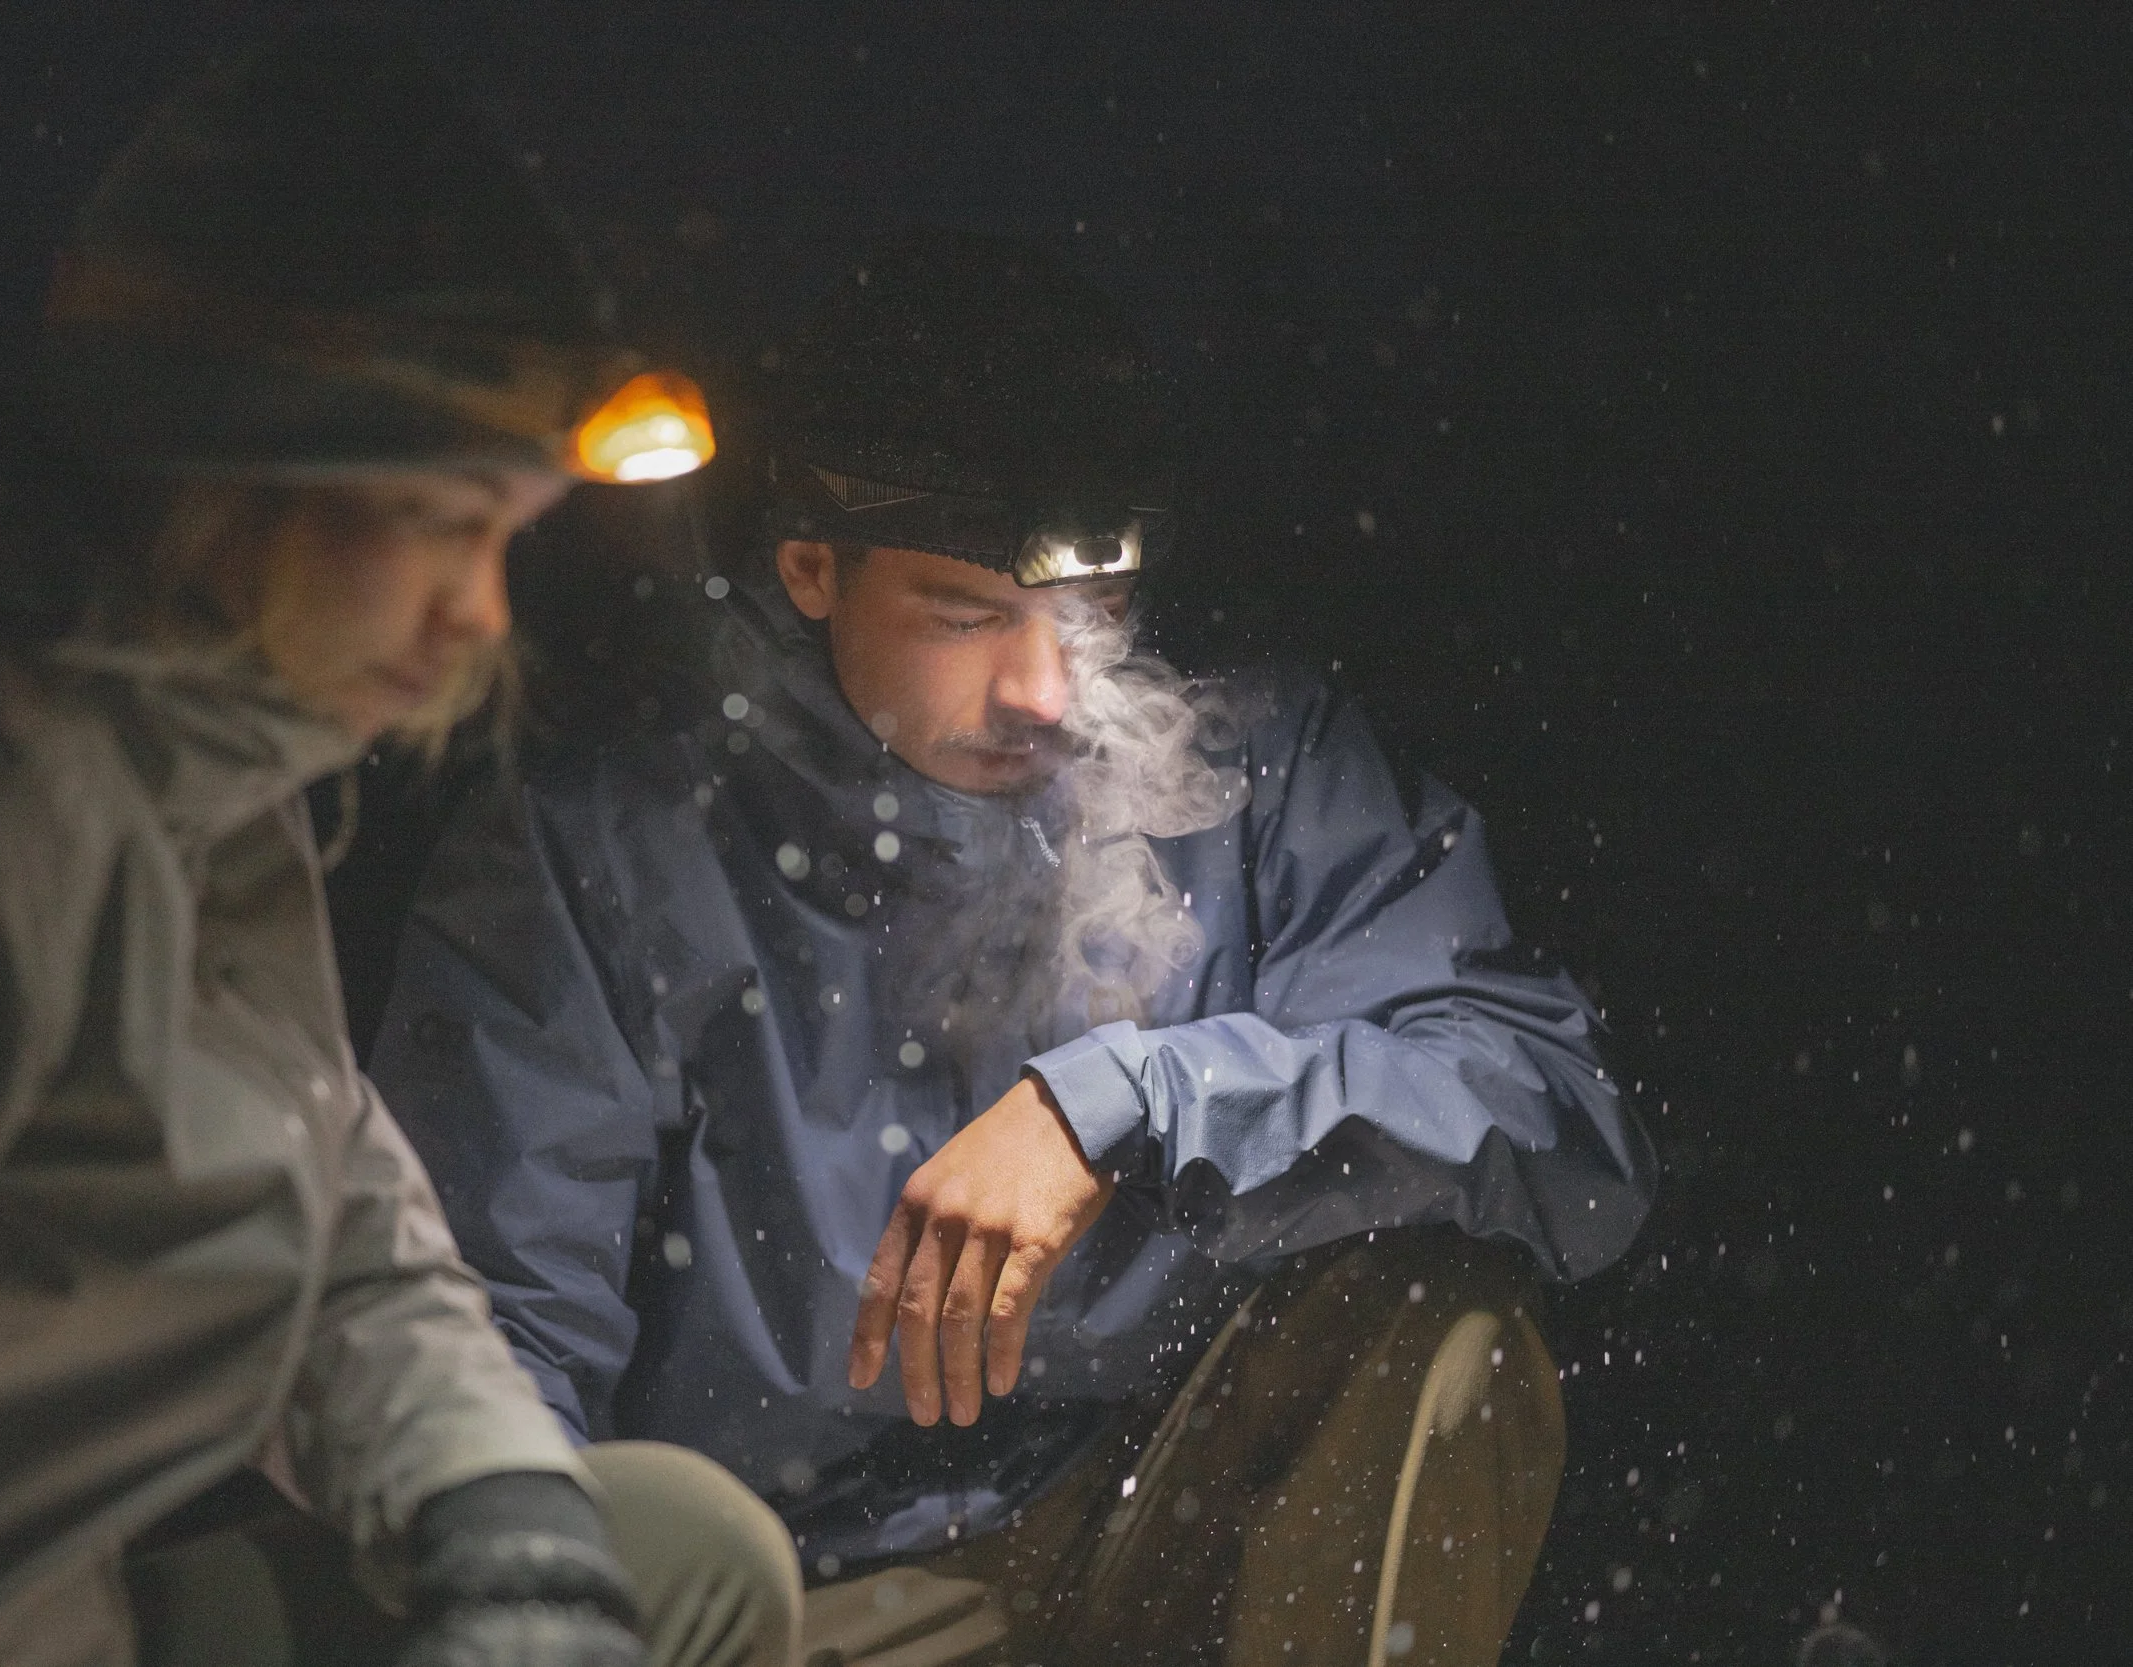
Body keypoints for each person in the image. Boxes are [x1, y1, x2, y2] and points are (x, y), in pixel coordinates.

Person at [0, 23, 794, 1667]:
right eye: (440, 526)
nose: (480, 613)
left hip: (68, 1607)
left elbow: (331, 1211)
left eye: (506, 537)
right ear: (235, 473)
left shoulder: (207, 763)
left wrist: (497, 1515)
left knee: (670, 1552)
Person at [365, 230, 1656, 1667]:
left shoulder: (1251, 769)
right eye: (968, 614)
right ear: (812, 567)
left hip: (1147, 1522)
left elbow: (1555, 1120)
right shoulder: (615, 843)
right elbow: (486, 1327)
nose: (1045, 692)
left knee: (1435, 1310)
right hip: (797, 1585)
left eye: (1091, 613)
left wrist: (1132, 1103)